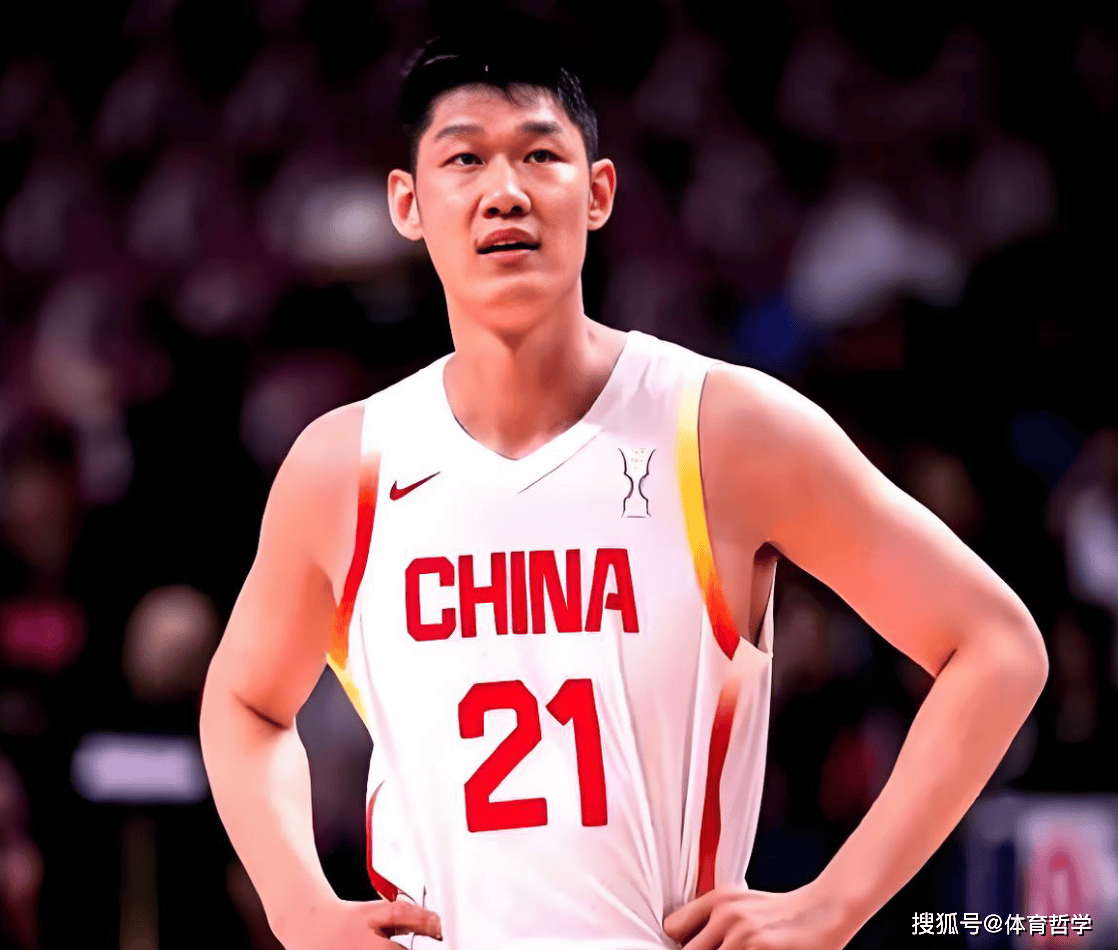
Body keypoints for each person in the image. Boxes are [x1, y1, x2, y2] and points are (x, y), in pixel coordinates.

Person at [199, 15, 1049, 950]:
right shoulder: (344, 464)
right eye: (465, 160)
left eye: (540, 156)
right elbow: (243, 704)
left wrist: (833, 903)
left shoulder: (722, 429)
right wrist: (298, 906)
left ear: (599, 192)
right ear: (408, 203)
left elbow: (996, 646)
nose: (505, 192)